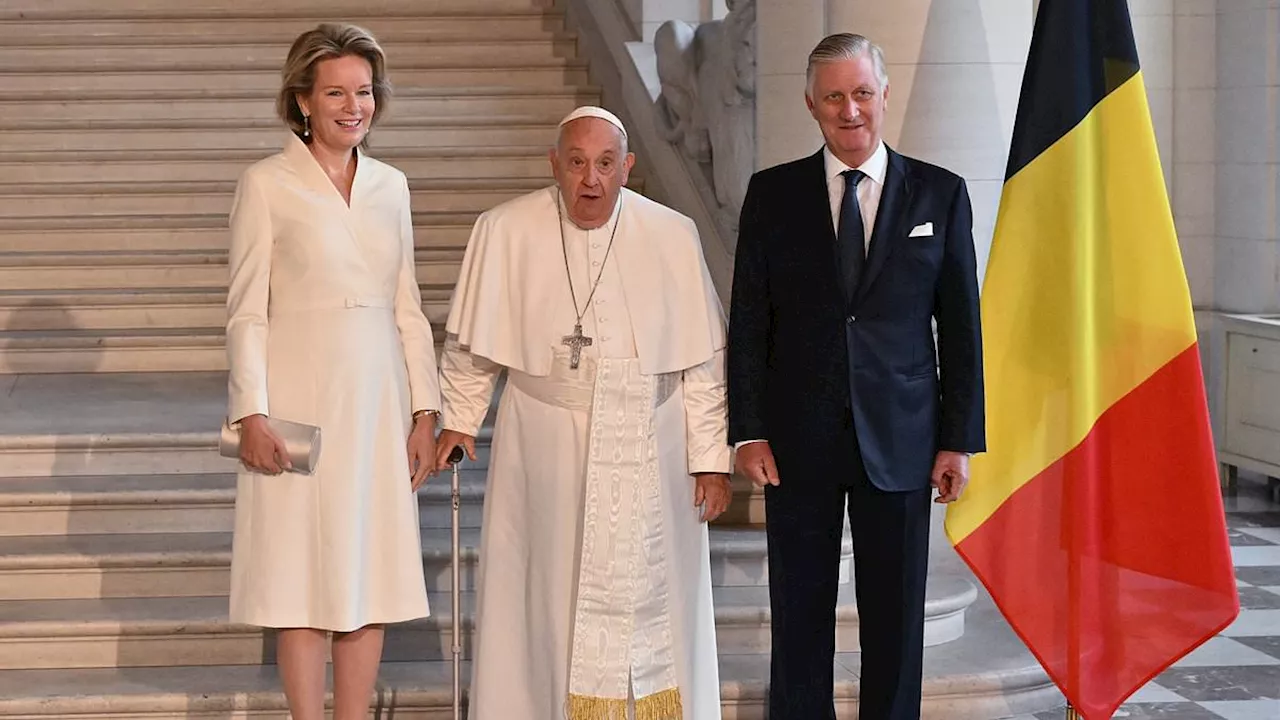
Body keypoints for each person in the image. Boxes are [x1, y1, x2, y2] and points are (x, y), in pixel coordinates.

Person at [434, 106, 731, 720]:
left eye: (604, 164)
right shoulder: (505, 230)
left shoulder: (673, 234)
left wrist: (710, 459)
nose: (590, 180)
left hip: (652, 441)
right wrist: (459, 421)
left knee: (655, 604)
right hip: (543, 444)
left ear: (628, 167)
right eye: (576, 163)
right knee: (546, 597)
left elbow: (702, 363)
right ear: (554, 165)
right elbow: (471, 348)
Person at [726, 34, 986, 720]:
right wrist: (748, 429)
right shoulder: (772, 194)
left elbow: (961, 329)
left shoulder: (942, 193)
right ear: (811, 102)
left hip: (902, 441)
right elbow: (749, 321)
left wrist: (957, 439)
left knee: (895, 620)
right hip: (797, 440)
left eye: (862, 93)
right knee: (801, 612)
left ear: (885, 95)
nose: (850, 110)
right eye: (835, 95)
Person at [224, 23, 439, 720]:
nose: (354, 106)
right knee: (298, 577)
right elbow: (246, 311)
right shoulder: (266, 184)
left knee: (366, 572)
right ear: (303, 101)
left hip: (377, 401)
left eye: (365, 91)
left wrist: (424, 411)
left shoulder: (391, 186)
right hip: (296, 402)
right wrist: (249, 412)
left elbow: (407, 304)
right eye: (337, 92)